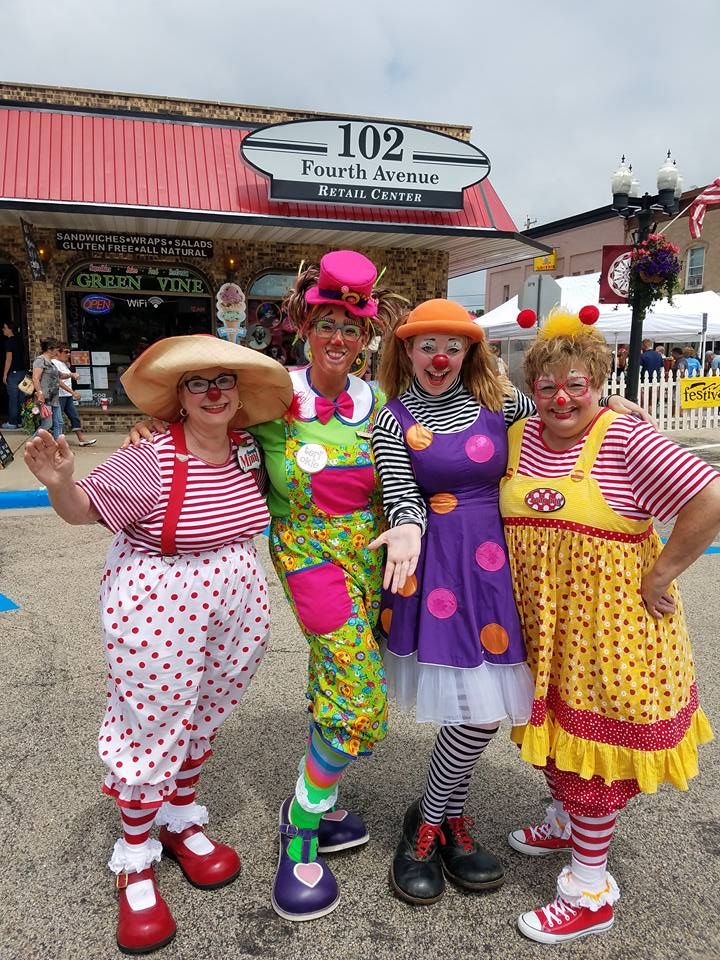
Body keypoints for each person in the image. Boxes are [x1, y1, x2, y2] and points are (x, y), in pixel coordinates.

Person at [129, 250, 406, 922]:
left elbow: (420, 459)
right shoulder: (274, 393)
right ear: (306, 327)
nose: (338, 338)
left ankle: (326, 804)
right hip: (307, 555)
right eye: (327, 324)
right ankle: (300, 830)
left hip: (371, 560)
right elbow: (208, 421)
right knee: (361, 698)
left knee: (335, 676)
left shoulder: (379, 402)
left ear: (366, 337)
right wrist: (155, 431)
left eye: (351, 327)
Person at [369, 300, 647, 907]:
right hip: (438, 565)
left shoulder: (500, 403)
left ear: (470, 352)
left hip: (502, 567)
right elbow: (397, 481)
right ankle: (432, 823)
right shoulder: (391, 418)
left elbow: (560, 413)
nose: (439, 358)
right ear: (406, 352)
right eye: (426, 346)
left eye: (453, 346)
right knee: (473, 708)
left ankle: (436, 815)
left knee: (480, 709)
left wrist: (610, 408)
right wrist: (409, 524)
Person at [24, 335, 293, 954]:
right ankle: (136, 859)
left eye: (224, 381)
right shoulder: (150, 456)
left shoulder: (250, 451)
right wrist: (61, 483)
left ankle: (178, 817)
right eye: (198, 384)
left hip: (236, 587)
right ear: (179, 397)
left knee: (205, 713)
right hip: (161, 596)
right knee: (152, 722)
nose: (214, 393)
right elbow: (82, 511)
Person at [498, 308, 720, 944]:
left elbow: (709, 500)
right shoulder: (522, 437)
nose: (562, 398)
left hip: (608, 632)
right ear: (532, 387)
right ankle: (567, 823)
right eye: (547, 386)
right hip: (544, 630)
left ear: (600, 379)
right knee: (553, 737)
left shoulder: (626, 438)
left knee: (596, 759)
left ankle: (589, 890)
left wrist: (663, 575)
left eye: (577, 383)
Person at [52, 342, 96, 446]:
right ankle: (54, 441)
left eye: (69, 352)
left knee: (74, 416)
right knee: (57, 420)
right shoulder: (54, 363)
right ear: (58, 352)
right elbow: (58, 381)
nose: (68, 354)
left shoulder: (63, 364)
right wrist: (72, 391)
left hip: (67, 396)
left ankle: (81, 439)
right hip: (59, 395)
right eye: (66, 352)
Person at [31, 337, 63, 438]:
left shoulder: (51, 362)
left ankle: (58, 446)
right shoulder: (40, 360)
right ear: (50, 349)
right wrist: (40, 393)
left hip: (54, 397)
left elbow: (58, 375)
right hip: (45, 398)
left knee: (59, 422)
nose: (58, 352)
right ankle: (31, 444)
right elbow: (35, 378)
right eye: (57, 349)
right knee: (47, 424)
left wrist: (71, 375)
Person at [2, 319, 25, 429]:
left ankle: (12, 422)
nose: (3, 329)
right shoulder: (20, 340)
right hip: (22, 372)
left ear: (10, 329)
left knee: (13, 398)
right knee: (21, 398)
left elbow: (8, 360)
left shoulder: (9, 342)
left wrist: (5, 374)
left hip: (13, 373)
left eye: (5, 327)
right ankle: (21, 421)